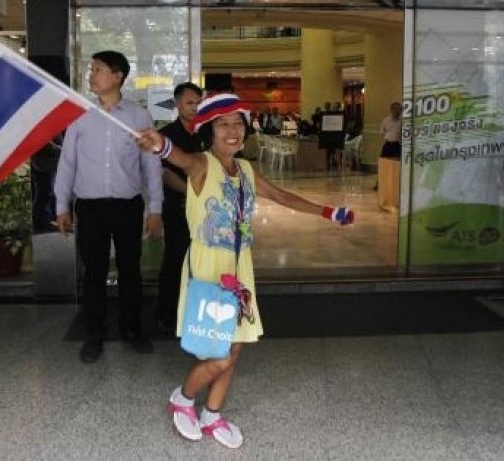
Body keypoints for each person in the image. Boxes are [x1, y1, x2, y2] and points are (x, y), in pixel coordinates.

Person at [135, 93, 354, 449]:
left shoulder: (248, 170)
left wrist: (328, 212)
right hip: (208, 269)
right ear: (209, 131)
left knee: (234, 350)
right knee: (217, 354)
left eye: (238, 123)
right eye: (223, 125)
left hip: (239, 271)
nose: (232, 130)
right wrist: (160, 145)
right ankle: (184, 398)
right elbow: (178, 157)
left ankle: (213, 414)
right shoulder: (202, 165)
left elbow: (283, 197)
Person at [54, 50, 163, 361]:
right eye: (92, 69)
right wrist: (62, 205)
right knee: (94, 273)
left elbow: (151, 166)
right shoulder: (79, 114)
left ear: (117, 76)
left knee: (131, 271)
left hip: (128, 207)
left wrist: (155, 210)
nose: (92, 75)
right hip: (90, 208)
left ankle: (131, 328)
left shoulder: (138, 116)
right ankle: (94, 333)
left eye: (98, 69)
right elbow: (67, 163)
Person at [155, 82, 204, 335]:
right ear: (176, 104)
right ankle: (168, 313)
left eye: (198, 103)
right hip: (178, 206)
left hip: (207, 210)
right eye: (189, 103)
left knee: (202, 261)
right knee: (176, 258)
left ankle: (198, 312)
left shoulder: (208, 133)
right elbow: (163, 172)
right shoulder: (167, 135)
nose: (194, 108)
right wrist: (193, 193)